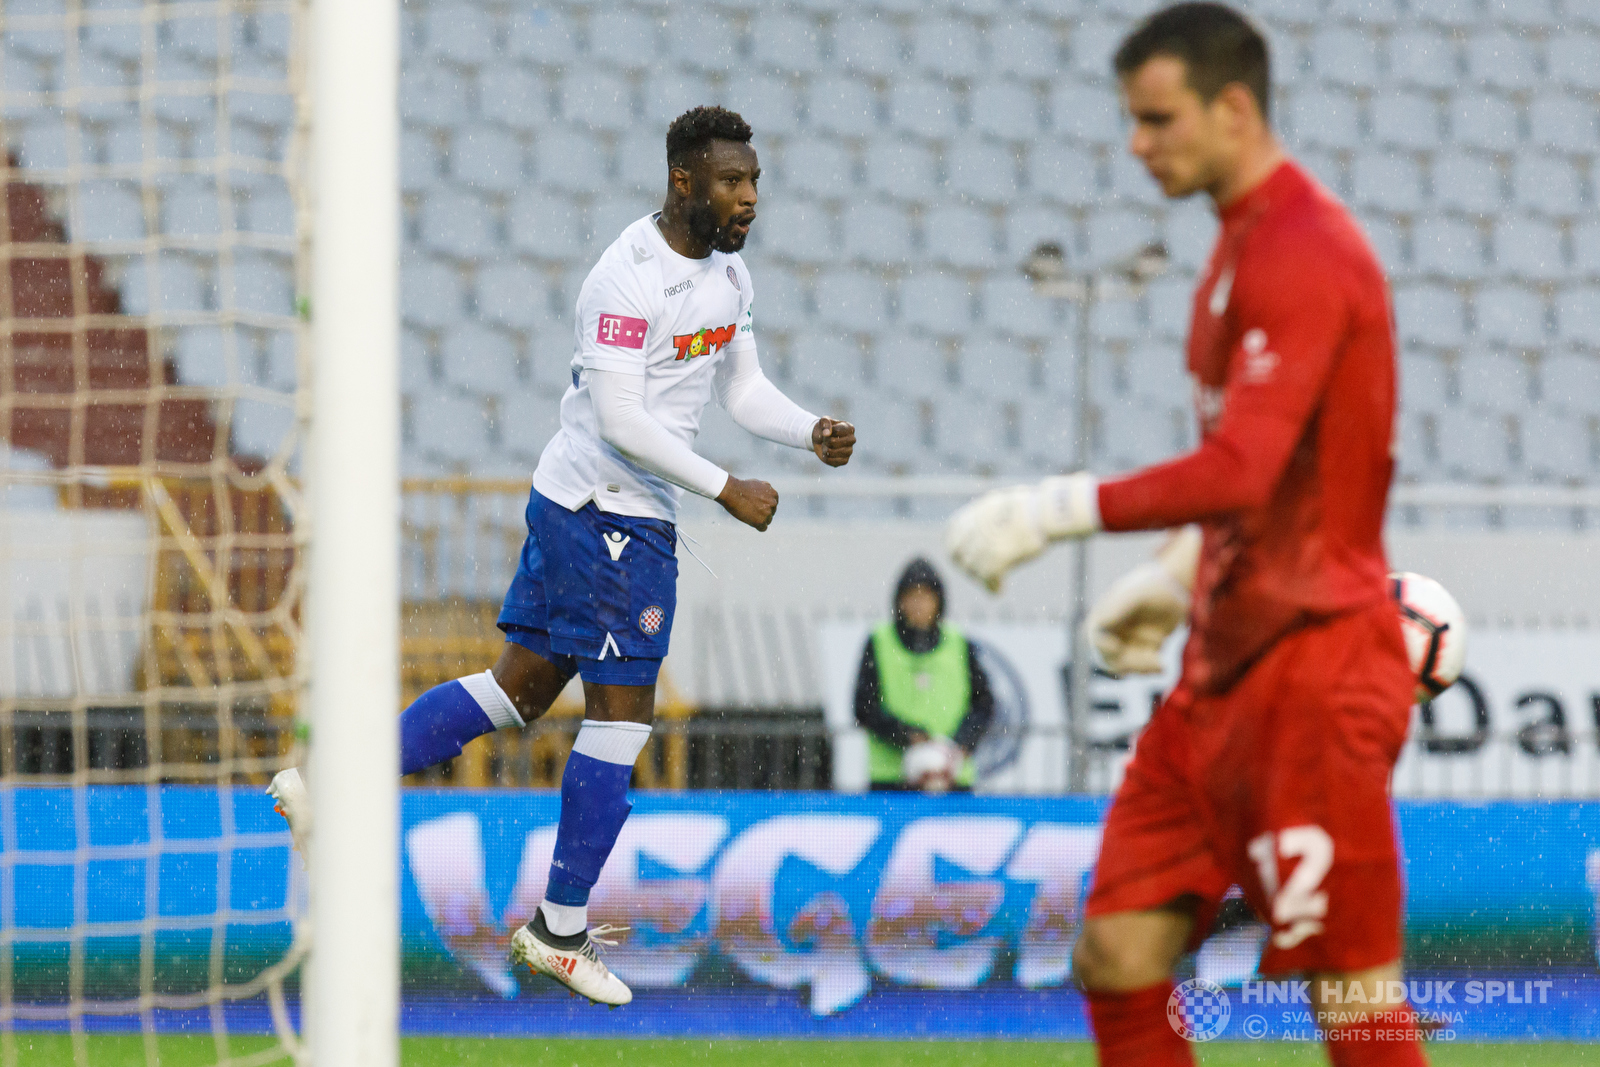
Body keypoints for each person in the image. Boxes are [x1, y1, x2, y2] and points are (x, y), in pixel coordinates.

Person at [269, 106, 855, 1007]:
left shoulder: (729, 277)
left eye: (754, 182)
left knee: (518, 689)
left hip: (595, 507)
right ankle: (560, 927)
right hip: (605, 511)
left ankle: (327, 789)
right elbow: (622, 421)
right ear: (684, 181)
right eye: (732, 182)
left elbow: (742, 387)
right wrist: (725, 487)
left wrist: (806, 427)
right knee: (621, 719)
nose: (748, 197)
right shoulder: (624, 279)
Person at [946, 5, 1424, 1066]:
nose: (1137, 144)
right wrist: (1173, 574)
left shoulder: (1303, 250)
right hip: (1218, 681)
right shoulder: (1234, 250)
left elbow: (1246, 466)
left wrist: (1058, 508)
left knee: (1350, 1000)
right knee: (1115, 952)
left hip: (1311, 671)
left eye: (1157, 119)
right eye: (1132, 119)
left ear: (1234, 107)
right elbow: (1269, 475)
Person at [853, 558, 995, 792]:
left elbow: (984, 704)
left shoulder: (959, 643)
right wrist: (908, 736)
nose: (919, 605)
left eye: (926, 597)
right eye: (912, 596)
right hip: (892, 780)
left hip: (952, 779)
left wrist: (959, 744)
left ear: (939, 602)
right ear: (899, 601)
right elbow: (863, 707)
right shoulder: (880, 641)